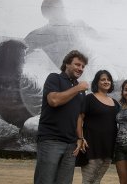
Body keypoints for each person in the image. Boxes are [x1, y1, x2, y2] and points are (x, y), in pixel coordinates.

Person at [34, 50, 89, 184]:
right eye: (77, 64)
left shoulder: (81, 91)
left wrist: (80, 138)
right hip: (51, 140)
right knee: (45, 181)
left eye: (82, 66)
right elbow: (54, 101)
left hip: (71, 145)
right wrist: (77, 88)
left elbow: (78, 118)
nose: (80, 68)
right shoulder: (54, 78)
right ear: (66, 64)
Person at [77, 70, 120, 184]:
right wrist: (80, 138)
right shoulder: (89, 98)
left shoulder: (115, 103)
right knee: (88, 180)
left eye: (108, 79)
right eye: (103, 79)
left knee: (97, 180)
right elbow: (80, 118)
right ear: (97, 82)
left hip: (108, 148)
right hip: (91, 146)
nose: (106, 81)